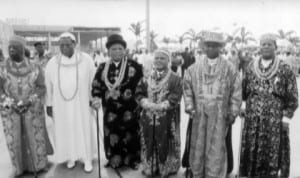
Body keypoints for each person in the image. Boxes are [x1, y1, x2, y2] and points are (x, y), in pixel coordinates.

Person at [183, 31, 242, 178]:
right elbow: (187, 88)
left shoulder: (230, 68)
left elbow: (236, 92)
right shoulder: (193, 68)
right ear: (203, 47)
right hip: (199, 114)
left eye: (214, 46)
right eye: (208, 45)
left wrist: (233, 112)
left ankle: (214, 174)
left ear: (220, 47)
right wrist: (190, 106)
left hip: (220, 115)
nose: (211, 48)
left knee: (216, 146)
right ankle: (196, 171)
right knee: (198, 144)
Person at [240, 34, 298, 177]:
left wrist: (287, 118)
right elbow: (243, 89)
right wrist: (242, 104)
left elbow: (292, 97)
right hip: (252, 117)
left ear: (275, 48)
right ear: (259, 47)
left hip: (274, 118)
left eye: (269, 44)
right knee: (252, 147)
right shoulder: (251, 66)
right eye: (263, 44)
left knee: (272, 150)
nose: (265, 47)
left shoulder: (285, 69)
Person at [45, 32, 96, 172]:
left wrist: (94, 99)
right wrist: (49, 105)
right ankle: (70, 157)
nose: (64, 47)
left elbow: (93, 81)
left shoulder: (86, 60)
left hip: (82, 103)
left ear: (75, 44)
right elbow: (48, 85)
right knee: (65, 129)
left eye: (67, 44)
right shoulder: (52, 62)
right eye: (61, 45)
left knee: (83, 127)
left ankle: (87, 158)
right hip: (61, 105)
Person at [0, 35, 51, 176]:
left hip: (32, 108)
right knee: (14, 138)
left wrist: (30, 100)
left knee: (34, 137)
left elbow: (41, 87)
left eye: (15, 48)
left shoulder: (35, 66)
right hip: (10, 110)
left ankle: (38, 166)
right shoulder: (2, 67)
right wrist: (8, 102)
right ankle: (19, 168)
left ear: (23, 49)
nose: (11, 50)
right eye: (9, 47)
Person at [91, 34, 143, 169]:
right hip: (110, 110)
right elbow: (97, 85)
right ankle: (114, 159)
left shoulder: (135, 66)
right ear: (108, 51)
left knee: (131, 134)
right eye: (113, 49)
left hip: (129, 109)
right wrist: (96, 98)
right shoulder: (102, 67)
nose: (117, 52)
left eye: (120, 48)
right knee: (112, 134)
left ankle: (132, 160)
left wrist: (142, 101)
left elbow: (141, 86)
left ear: (125, 50)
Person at [135, 48, 182, 177]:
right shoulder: (146, 77)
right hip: (148, 116)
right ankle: (150, 166)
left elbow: (176, 95)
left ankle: (166, 167)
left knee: (166, 140)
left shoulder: (175, 78)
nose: (159, 60)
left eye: (162, 58)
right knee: (148, 139)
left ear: (168, 60)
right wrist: (145, 103)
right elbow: (139, 92)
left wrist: (163, 105)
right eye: (157, 58)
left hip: (167, 117)